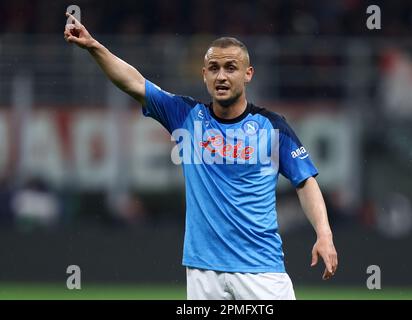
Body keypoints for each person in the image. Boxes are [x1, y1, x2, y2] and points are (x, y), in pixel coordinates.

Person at [64, 12, 338, 300]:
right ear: (204, 74)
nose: (221, 75)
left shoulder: (272, 127)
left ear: (248, 74)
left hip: (261, 270)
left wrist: (325, 234)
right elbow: (134, 83)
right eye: (214, 68)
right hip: (203, 272)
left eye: (231, 68)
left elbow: (305, 181)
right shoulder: (187, 116)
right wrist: (94, 46)